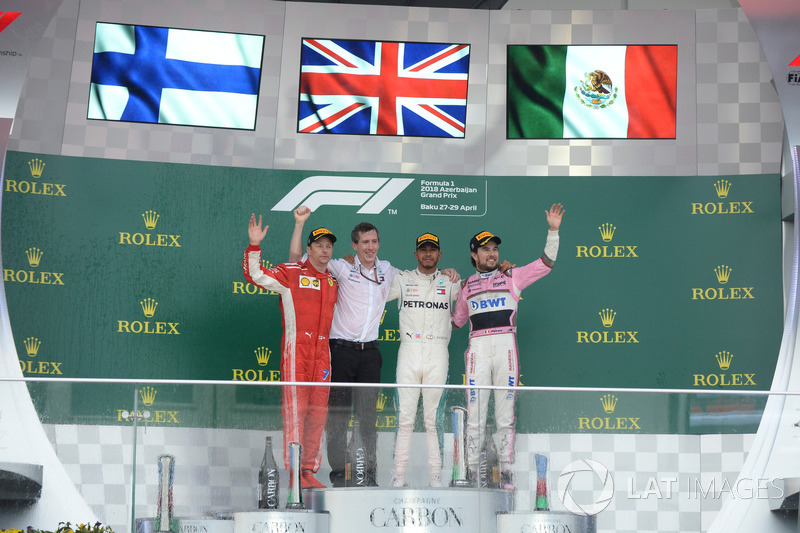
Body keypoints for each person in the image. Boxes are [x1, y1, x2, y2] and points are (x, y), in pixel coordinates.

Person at [451, 203, 565, 490]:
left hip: (506, 347)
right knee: (475, 413)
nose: (492, 253)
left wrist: (553, 231)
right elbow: (455, 322)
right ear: (474, 255)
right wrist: (444, 281)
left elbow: (546, 263)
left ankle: (506, 471)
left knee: (505, 414)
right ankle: (471, 471)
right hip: (477, 348)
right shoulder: (465, 287)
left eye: (495, 249)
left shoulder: (512, 277)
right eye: (485, 249)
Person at [243, 213, 338, 489]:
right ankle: (295, 475)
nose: (324, 250)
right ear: (308, 249)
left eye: (328, 246)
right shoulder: (291, 273)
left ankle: (308, 472)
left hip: (323, 356)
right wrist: (254, 246)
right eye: (319, 245)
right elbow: (255, 275)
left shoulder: (333, 280)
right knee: (296, 414)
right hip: (297, 351)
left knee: (318, 415)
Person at [386, 233, 460, 488]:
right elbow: (367, 291)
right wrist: (353, 264)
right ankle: (398, 475)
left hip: (438, 352)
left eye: (433, 250)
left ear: (440, 255)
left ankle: (436, 477)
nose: (428, 254)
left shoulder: (451, 282)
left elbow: (473, 297)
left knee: (433, 420)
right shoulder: (402, 280)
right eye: (423, 250)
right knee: (404, 417)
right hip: (409, 350)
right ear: (415, 254)